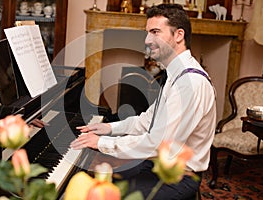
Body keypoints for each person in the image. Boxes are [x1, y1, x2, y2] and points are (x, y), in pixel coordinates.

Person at [70, 3, 216, 199]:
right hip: (158, 165)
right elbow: (147, 121)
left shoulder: (190, 83)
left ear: (179, 35)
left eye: (155, 32)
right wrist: (110, 128)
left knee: (105, 194)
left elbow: (158, 143)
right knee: (103, 182)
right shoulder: (176, 74)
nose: (147, 40)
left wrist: (102, 143)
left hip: (177, 178)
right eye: (147, 33)